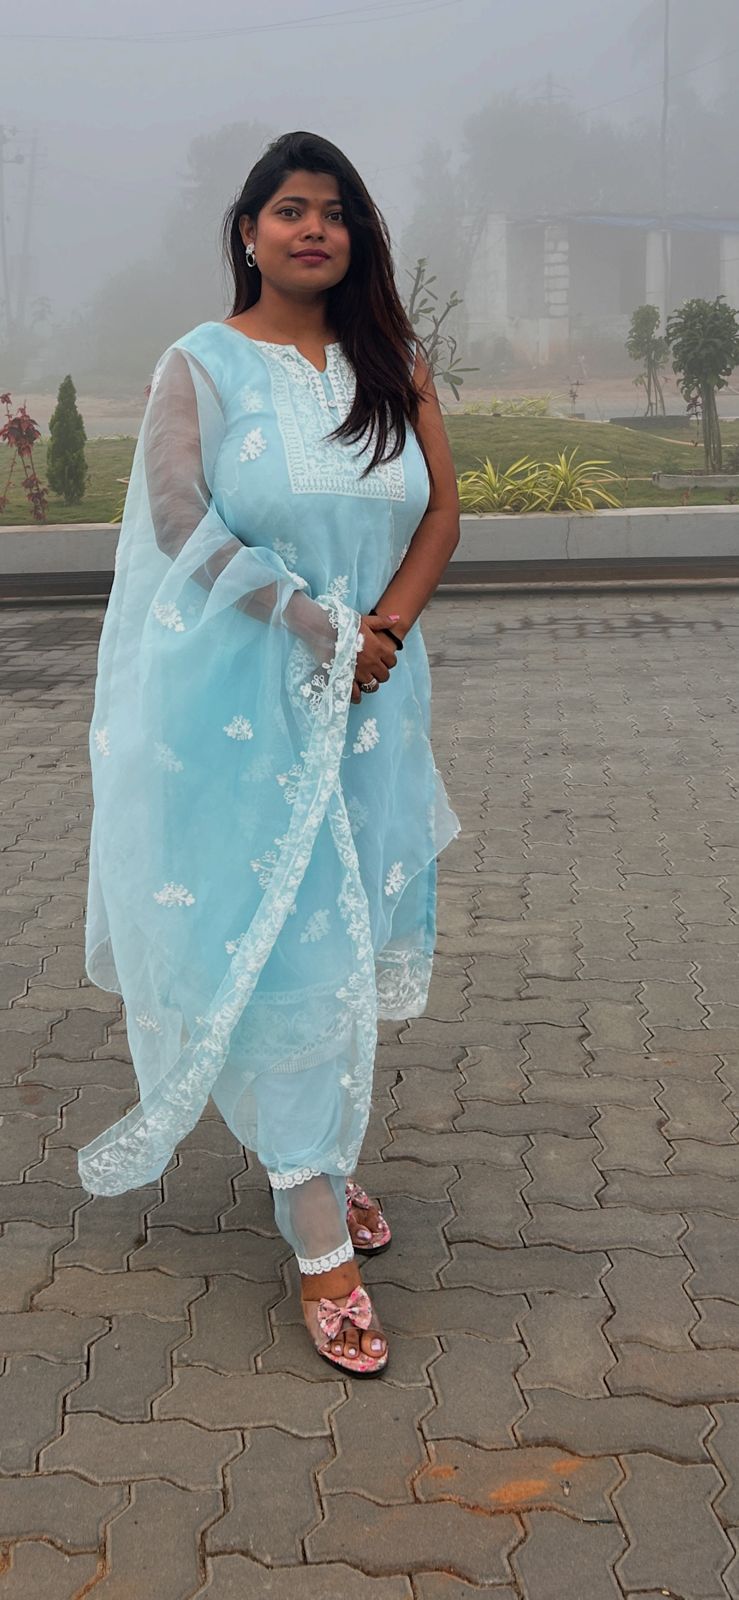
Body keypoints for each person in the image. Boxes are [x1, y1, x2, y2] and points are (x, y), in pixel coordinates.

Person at [79, 130, 460, 1377]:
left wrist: (380, 630)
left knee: (344, 937)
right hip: (247, 703)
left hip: (372, 700)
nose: (314, 230)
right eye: (290, 209)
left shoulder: (390, 361)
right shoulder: (201, 362)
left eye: (335, 212)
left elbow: (442, 511)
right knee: (283, 944)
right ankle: (316, 1234)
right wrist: (312, 625)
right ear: (247, 230)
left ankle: (321, 1156)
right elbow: (178, 517)